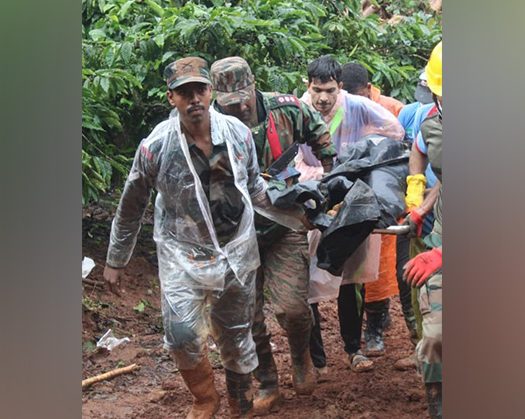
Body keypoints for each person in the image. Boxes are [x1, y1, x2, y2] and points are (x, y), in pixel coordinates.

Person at [103, 56, 311, 419]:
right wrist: (116, 260)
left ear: (210, 92)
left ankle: (240, 403)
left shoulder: (237, 134)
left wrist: (295, 217)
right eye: (184, 93)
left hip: (235, 248)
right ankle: (204, 398)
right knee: (181, 332)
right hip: (182, 251)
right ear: (172, 98)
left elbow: (254, 187)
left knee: (236, 331)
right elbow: (131, 204)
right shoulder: (155, 147)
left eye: (199, 89)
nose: (194, 98)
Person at [210, 56, 336, 415]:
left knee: (292, 308)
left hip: (283, 223)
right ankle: (267, 381)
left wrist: (327, 183)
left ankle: (300, 357)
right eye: (230, 103)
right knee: (249, 316)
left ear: (254, 85)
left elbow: (320, 136)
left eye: (244, 98)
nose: (240, 107)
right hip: (235, 232)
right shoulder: (210, 125)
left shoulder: (287, 109)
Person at [295, 55, 405, 374]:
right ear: (308, 86)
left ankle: (353, 350)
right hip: (311, 202)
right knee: (308, 281)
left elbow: (393, 132)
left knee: (350, 278)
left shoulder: (356, 106)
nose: (323, 98)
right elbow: (284, 154)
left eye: (329, 90)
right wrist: (314, 175)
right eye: (317, 90)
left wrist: (361, 159)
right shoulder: (297, 110)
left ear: (340, 87)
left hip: (348, 204)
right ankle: (317, 359)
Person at [340, 61, 405, 356]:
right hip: (354, 192)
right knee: (356, 264)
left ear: (369, 89)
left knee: (382, 264)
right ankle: (364, 323)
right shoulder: (341, 107)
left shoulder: (392, 109)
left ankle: (376, 324)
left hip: (387, 194)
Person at [403, 41, 443, 419]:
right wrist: (420, 196)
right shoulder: (432, 120)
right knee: (436, 339)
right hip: (443, 236)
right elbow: (423, 151)